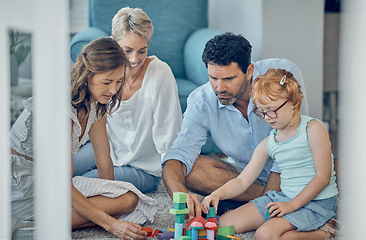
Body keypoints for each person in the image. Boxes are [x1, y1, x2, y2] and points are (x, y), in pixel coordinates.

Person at [10, 37, 157, 240]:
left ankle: (51, 222)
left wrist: (109, 194)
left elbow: (104, 158)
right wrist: (112, 224)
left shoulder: (96, 101)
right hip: (22, 183)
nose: (114, 90)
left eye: (119, 82)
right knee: (112, 211)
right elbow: (62, 184)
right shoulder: (61, 110)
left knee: (128, 199)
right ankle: (33, 228)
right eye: (107, 82)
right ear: (87, 76)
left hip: (53, 180)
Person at [162, 32, 309, 218]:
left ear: (249, 71)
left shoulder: (283, 76)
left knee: (338, 170)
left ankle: (264, 201)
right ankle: (266, 200)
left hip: (291, 166)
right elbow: (178, 154)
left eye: (229, 79)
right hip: (244, 175)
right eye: (213, 78)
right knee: (189, 170)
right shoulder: (201, 101)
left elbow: (294, 141)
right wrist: (179, 195)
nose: (219, 88)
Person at [201, 68, 339, 239]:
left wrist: (291, 205)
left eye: (272, 110)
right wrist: (217, 194)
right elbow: (242, 180)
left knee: (265, 235)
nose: (267, 117)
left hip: (316, 202)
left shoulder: (313, 129)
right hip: (284, 197)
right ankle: (291, 223)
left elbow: (322, 177)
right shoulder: (270, 142)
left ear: (294, 102)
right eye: (262, 111)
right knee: (224, 224)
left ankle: (323, 232)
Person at [73, 7, 182, 193]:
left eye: (142, 51)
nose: (134, 59)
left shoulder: (160, 74)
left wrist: (174, 179)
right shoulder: (107, 74)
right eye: (127, 50)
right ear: (114, 43)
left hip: (142, 168)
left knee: (81, 185)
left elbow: (169, 136)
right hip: (107, 150)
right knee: (58, 173)